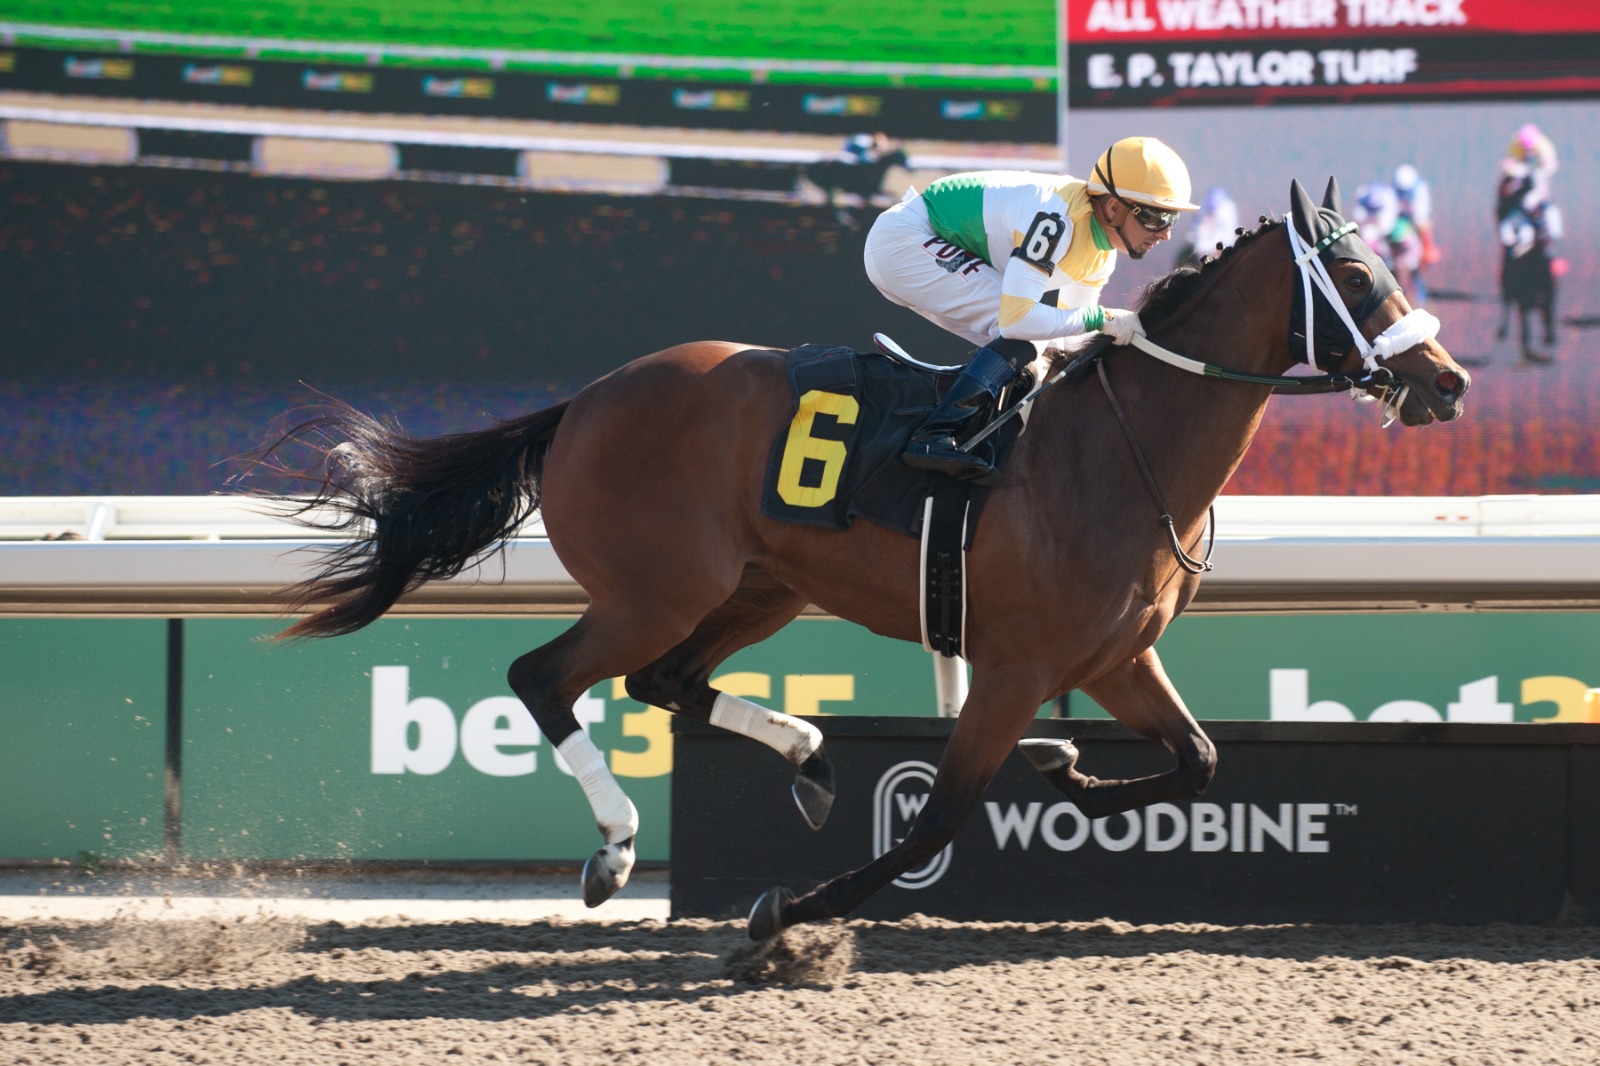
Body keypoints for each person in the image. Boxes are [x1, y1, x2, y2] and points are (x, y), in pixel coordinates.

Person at [863, 137, 1199, 483]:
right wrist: (1105, 318)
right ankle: (935, 435)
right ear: (1113, 208)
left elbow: (1071, 347)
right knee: (1027, 334)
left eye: (1172, 218)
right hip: (904, 239)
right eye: (1157, 217)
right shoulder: (1056, 220)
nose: (1166, 234)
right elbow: (1018, 321)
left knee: (1043, 351)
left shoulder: (1101, 256)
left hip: (918, 240)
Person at [1391, 164, 1437, 301]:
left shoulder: (1420, 191)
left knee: (1416, 267)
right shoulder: (1393, 191)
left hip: (1416, 231)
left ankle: (1418, 296)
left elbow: (1421, 218)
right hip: (1399, 231)